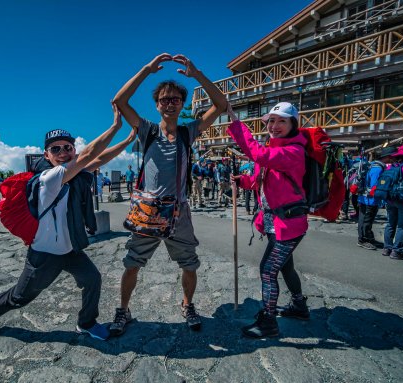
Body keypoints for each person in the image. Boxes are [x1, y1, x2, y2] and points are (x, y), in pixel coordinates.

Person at [0, 106, 128, 342]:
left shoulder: (74, 174)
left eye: (68, 148)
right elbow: (89, 155)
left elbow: (100, 158)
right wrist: (115, 127)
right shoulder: (48, 179)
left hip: (69, 249)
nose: (63, 152)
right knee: (20, 297)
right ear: (46, 155)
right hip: (44, 255)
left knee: (92, 279)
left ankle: (86, 323)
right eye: (56, 149)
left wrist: (130, 138)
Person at [109, 53, 227, 336]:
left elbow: (221, 105)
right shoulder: (146, 130)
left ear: (182, 103)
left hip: (179, 212)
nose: (170, 104)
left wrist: (197, 74)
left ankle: (188, 304)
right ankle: (123, 310)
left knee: (189, 263)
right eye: (164, 99)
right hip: (148, 212)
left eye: (175, 99)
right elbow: (120, 101)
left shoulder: (189, 132)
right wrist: (145, 70)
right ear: (157, 104)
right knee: (132, 264)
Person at [227, 102, 309, 339]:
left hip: (288, 224)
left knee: (267, 270)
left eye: (282, 121)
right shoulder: (276, 149)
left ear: (293, 124)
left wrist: (236, 125)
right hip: (278, 224)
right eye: (271, 121)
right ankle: (299, 306)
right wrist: (242, 181)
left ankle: (269, 322)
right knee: (285, 266)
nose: (274, 126)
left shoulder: (293, 151)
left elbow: (259, 155)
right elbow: (258, 180)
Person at [356, 147, 396, 250]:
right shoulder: (378, 169)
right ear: (386, 157)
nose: (392, 159)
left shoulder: (372, 165)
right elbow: (374, 186)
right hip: (370, 199)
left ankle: (368, 238)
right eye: (391, 157)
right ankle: (363, 240)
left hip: (364, 198)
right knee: (366, 220)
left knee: (365, 219)